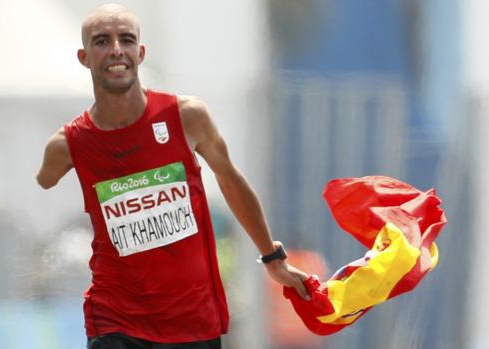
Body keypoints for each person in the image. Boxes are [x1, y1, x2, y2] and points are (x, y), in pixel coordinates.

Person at [36, 4, 310, 349]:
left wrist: (272, 257)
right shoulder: (69, 144)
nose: (116, 50)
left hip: (191, 321)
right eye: (102, 41)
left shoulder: (185, 116)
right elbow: (44, 179)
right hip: (116, 319)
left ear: (141, 52)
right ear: (84, 57)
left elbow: (230, 180)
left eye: (127, 39)